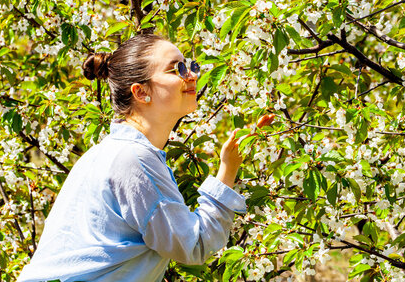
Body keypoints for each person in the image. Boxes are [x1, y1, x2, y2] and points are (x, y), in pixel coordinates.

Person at [18, 34, 273, 282]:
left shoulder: (105, 153)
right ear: (141, 92)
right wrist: (227, 171)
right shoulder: (134, 159)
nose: (192, 75)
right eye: (177, 70)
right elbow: (192, 246)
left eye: (190, 66)